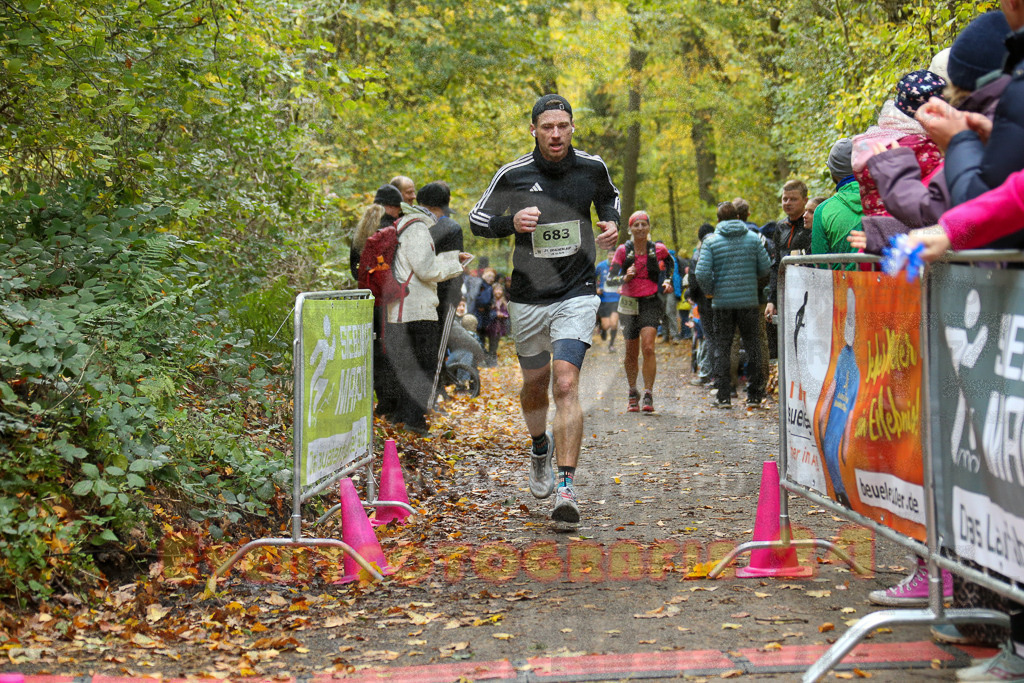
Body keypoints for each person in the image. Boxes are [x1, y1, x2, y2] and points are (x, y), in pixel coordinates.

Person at [469, 93, 620, 524]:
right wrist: (510, 223)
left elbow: (609, 198)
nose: (556, 134)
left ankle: (567, 488)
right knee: (535, 384)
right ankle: (540, 447)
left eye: (563, 126)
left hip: (577, 290)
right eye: (547, 127)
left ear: (572, 128)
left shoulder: (592, 167)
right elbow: (477, 219)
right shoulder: (514, 173)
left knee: (566, 383)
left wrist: (611, 221)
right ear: (533, 130)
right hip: (528, 296)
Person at [386, 204, 472, 435]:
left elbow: (418, 263)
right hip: (417, 309)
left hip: (401, 308)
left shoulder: (402, 227)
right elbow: (426, 270)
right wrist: (456, 265)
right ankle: (414, 422)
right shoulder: (417, 229)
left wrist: (453, 257)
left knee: (407, 366)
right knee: (423, 366)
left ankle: (401, 418)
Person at [695, 202, 770, 409]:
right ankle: (754, 395)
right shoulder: (753, 239)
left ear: (718, 219)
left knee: (723, 347)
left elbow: (701, 272)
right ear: (738, 217)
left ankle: (724, 395)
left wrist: (710, 291)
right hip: (749, 302)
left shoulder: (711, 242)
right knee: (753, 346)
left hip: (722, 304)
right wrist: (752, 282)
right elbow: (765, 268)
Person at [607, 211, 673, 412]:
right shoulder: (622, 251)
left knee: (648, 347)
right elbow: (610, 280)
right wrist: (625, 277)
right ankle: (632, 391)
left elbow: (670, 263)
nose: (641, 228)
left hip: (650, 302)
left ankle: (648, 393)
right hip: (628, 303)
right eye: (636, 225)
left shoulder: (658, 249)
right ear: (630, 229)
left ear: (649, 227)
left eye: (644, 224)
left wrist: (667, 280)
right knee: (631, 352)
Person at [811, 138, 864, 268]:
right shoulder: (881, 201)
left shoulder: (823, 211)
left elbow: (820, 266)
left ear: (833, 173)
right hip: (883, 280)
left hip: (841, 281)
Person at [595, 251, 620, 352]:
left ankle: (611, 345)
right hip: (604, 299)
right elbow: (592, 278)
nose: (611, 256)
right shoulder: (601, 266)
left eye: (614, 254)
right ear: (607, 255)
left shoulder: (620, 266)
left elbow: (625, 279)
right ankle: (602, 328)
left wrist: (622, 287)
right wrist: (596, 288)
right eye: (610, 254)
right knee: (606, 325)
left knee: (614, 324)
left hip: (616, 299)